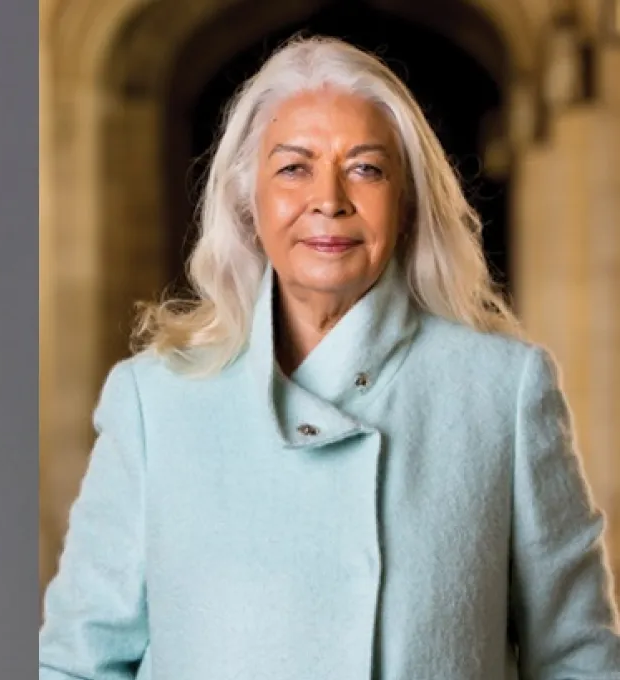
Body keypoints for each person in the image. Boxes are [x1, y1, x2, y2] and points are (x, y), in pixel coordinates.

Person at [39, 35, 620, 678]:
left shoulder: (502, 391)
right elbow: (78, 661)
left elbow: (578, 658)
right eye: (294, 167)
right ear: (246, 202)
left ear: (405, 204)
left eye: (366, 168)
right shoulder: (154, 401)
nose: (330, 198)